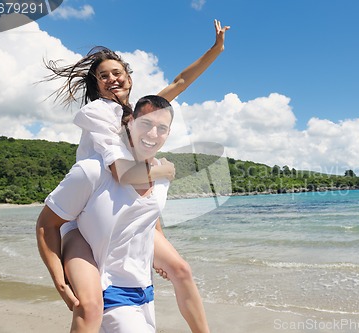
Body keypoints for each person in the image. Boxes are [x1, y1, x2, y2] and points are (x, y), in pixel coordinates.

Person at [41, 19, 229, 332]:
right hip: (86, 213)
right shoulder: (100, 111)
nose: (111, 79)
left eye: (117, 73)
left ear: (129, 77)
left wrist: (216, 49)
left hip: (124, 207)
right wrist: (166, 170)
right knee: (89, 308)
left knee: (180, 270)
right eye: (103, 76)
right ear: (96, 85)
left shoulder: (140, 117)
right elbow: (123, 173)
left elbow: (180, 82)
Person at [37, 95, 175, 332]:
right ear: (128, 123)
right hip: (109, 285)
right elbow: (47, 224)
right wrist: (59, 280)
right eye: (145, 124)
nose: (153, 133)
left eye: (161, 128)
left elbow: (149, 218)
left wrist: (160, 255)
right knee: (91, 307)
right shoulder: (92, 170)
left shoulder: (158, 176)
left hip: (142, 288)